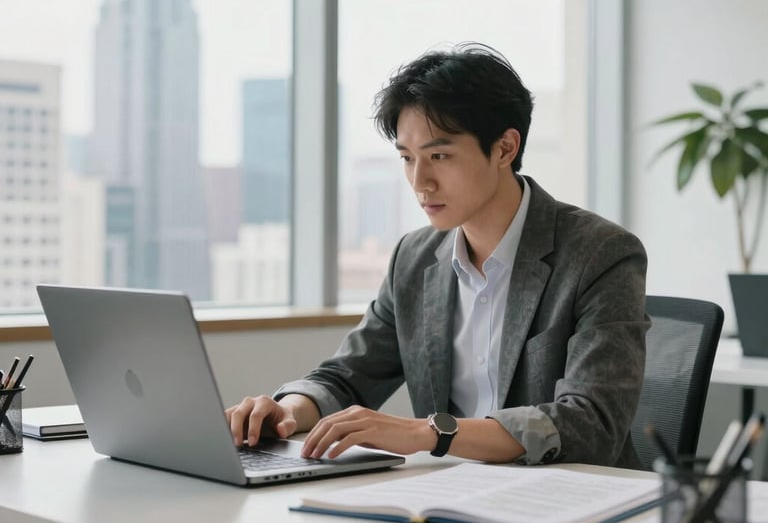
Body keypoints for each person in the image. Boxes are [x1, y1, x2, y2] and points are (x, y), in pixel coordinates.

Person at [226, 42, 649, 468]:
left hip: (570, 493)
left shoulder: (599, 253)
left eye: (439, 156)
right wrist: (287, 411)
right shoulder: (414, 258)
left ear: (504, 148)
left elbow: (590, 422)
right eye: (407, 158)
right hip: (450, 490)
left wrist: (428, 433)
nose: (419, 181)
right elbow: (348, 376)